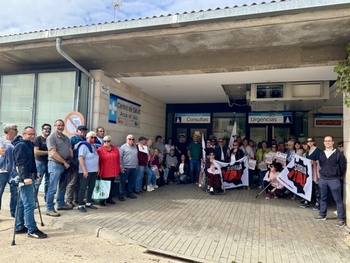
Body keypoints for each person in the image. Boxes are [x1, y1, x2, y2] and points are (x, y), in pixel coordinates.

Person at [13, 126, 47, 238]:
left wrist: (35, 172)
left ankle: (19, 226)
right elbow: (21, 163)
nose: (32, 136)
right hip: (25, 178)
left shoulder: (30, 144)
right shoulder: (21, 145)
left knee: (23, 203)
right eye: (29, 134)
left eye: (33, 134)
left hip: (30, 175)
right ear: (24, 134)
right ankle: (32, 229)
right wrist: (25, 177)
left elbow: (31, 161)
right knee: (29, 204)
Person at [314, 135, 346, 227]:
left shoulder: (338, 154)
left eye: (329, 141)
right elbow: (321, 164)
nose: (327, 142)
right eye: (326, 141)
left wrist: (337, 175)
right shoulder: (321, 154)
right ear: (324, 143)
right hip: (323, 179)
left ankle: (341, 219)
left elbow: (342, 167)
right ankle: (322, 214)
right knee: (323, 198)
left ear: (333, 142)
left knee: (338, 199)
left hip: (334, 179)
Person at [46, 119, 73, 217]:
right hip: (55, 164)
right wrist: (64, 162)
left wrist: (70, 159)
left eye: (62, 125)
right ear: (55, 126)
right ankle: (49, 208)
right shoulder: (51, 138)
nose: (60, 127)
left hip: (65, 165)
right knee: (52, 188)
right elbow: (53, 152)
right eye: (58, 125)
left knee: (62, 186)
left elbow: (70, 149)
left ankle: (61, 204)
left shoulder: (66, 138)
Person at [77, 131, 99, 212]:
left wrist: (98, 169)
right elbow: (80, 158)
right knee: (83, 188)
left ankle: (88, 203)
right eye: (91, 137)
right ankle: (80, 205)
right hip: (86, 171)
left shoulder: (93, 146)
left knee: (91, 187)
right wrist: (84, 170)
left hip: (93, 171)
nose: (93, 139)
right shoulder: (83, 146)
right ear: (87, 138)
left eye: (94, 137)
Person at [0, 124, 19, 218]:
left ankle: (13, 213)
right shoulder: (1, 141)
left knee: (15, 192)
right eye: (15, 129)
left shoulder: (17, 142)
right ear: (9, 130)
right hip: (2, 171)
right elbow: (2, 153)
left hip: (14, 171)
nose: (17, 131)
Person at [97, 135, 120, 206]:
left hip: (113, 171)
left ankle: (109, 199)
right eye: (105, 141)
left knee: (111, 186)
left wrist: (118, 168)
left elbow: (118, 159)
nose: (106, 142)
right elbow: (97, 161)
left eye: (108, 141)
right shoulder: (100, 150)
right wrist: (98, 170)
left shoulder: (115, 149)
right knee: (103, 186)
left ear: (110, 141)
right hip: (104, 171)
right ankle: (102, 201)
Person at [301, 137, 321, 209]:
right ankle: (308, 200)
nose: (309, 142)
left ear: (313, 142)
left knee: (316, 187)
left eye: (311, 141)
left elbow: (320, 160)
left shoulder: (317, 150)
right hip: (309, 171)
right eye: (308, 141)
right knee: (309, 186)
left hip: (315, 171)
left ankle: (318, 202)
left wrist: (314, 162)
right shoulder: (307, 151)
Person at [33, 123, 51, 202]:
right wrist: (49, 152)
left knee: (48, 182)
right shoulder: (38, 139)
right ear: (42, 130)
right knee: (37, 182)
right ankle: (33, 200)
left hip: (50, 163)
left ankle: (47, 199)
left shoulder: (51, 139)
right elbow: (36, 152)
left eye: (49, 129)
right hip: (40, 163)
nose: (47, 130)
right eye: (45, 129)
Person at [119, 135, 138, 199]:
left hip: (133, 167)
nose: (131, 140)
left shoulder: (135, 147)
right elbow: (120, 158)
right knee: (122, 182)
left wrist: (136, 165)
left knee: (131, 182)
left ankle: (129, 193)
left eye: (133, 139)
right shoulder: (123, 147)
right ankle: (121, 195)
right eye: (129, 139)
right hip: (125, 168)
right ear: (126, 139)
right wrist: (121, 167)